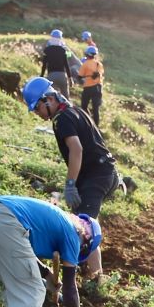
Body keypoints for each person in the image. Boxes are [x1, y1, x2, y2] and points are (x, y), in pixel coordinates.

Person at [21, 75, 120, 275]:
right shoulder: (75, 111)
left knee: (84, 227)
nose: (38, 114)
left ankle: (96, 278)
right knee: (85, 220)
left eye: (37, 108)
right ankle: (91, 269)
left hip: (97, 176)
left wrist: (70, 184)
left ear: (48, 100)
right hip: (104, 172)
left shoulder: (61, 119)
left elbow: (77, 149)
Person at [39, 30, 73, 100]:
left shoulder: (47, 50)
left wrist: (41, 77)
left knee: (53, 98)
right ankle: (69, 109)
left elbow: (44, 65)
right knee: (66, 97)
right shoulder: (63, 50)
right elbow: (66, 65)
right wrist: (70, 78)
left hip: (51, 76)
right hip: (62, 76)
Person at [78, 45, 105, 127]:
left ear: (87, 54)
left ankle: (88, 121)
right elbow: (101, 74)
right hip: (98, 87)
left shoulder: (85, 64)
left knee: (84, 106)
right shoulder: (99, 64)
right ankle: (96, 126)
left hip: (88, 87)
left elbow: (79, 76)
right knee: (96, 108)